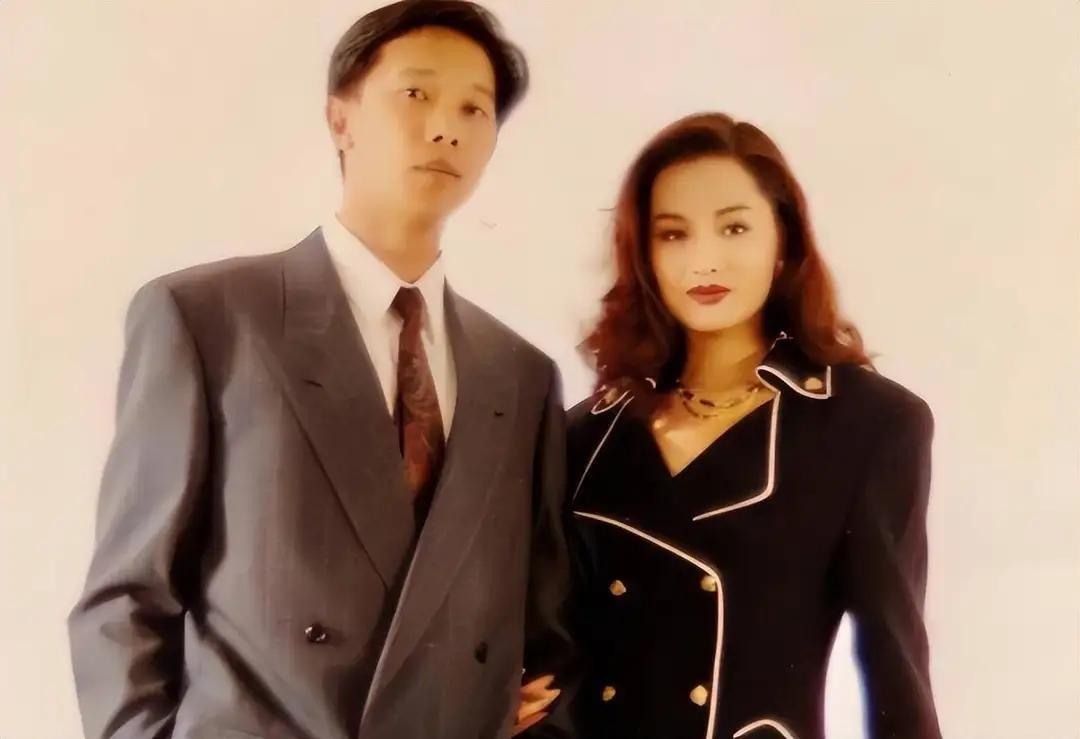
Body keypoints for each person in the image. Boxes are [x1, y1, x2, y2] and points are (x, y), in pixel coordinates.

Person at [68, 2, 572, 737]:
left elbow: (542, 632)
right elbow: (127, 599)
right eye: (416, 93)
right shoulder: (210, 318)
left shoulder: (519, 375)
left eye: (475, 108)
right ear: (341, 120)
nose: (447, 128)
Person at [562, 112, 942, 739]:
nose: (704, 259)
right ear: (644, 255)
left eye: (734, 227)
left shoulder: (864, 424)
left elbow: (894, 672)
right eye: (673, 234)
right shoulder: (585, 436)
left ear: (783, 239)